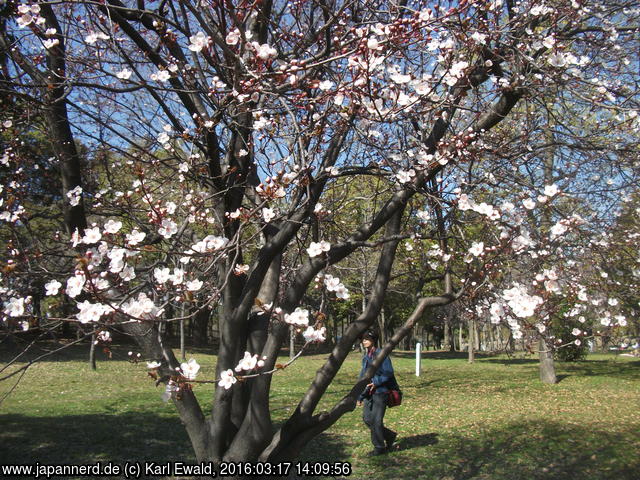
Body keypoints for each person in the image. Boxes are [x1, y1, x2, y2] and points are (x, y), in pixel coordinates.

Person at [357, 330, 398, 456]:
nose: (364, 341)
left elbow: (388, 372)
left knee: (376, 420)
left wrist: (377, 382)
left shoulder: (381, 354)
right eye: (363, 339)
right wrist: (359, 395)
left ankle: (379, 447)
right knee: (367, 419)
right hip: (369, 393)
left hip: (381, 392)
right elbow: (362, 377)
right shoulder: (366, 358)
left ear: (373, 340)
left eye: (367, 339)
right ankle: (389, 435)